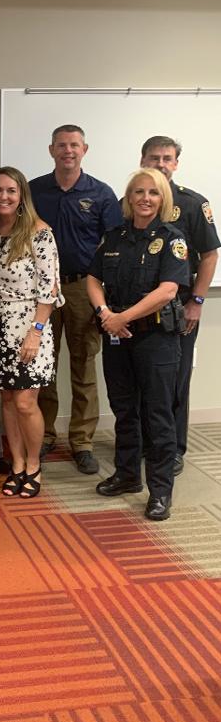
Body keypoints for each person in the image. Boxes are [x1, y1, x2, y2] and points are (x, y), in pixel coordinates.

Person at [87, 168, 189, 521]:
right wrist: (105, 313)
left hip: (156, 339)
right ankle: (127, 475)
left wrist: (122, 317)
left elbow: (168, 291)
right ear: (129, 198)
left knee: (157, 415)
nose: (146, 198)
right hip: (118, 337)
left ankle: (160, 491)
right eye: (139, 192)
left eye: (153, 192)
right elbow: (93, 278)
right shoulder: (114, 237)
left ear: (163, 199)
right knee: (124, 408)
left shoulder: (172, 239)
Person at [29, 125, 123, 474]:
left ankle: (82, 442)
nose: (68, 151)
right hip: (41, 290)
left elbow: (113, 246)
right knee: (43, 365)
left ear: (85, 149)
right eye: (61, 145)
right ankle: (44, 435)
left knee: (84, 364)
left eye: (74, 145)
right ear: (51, 150)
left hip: (84, 287)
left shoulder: (101, 193)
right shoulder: (34, 190)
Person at [0, 167, 63, 498]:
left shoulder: (39, 233)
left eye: (11, 191)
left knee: (26, 401)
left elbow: (49, 289)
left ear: (22, 196)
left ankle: (33, 465)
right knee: (8, 400)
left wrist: (36, 332)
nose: (4, 197)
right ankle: (16, 464)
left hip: (30, 325)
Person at [139, 136, 219, 475]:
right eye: (154, 157)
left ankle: (173, 449)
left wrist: (197, 302)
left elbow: (210, 255)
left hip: (179, 308)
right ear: (142, 160)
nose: (160, 164)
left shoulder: (192, 204)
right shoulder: (130, 202)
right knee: (141, 378)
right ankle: (146, 444)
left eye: (167, 158)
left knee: (175, 380)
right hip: (139, 307)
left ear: (175, 163)